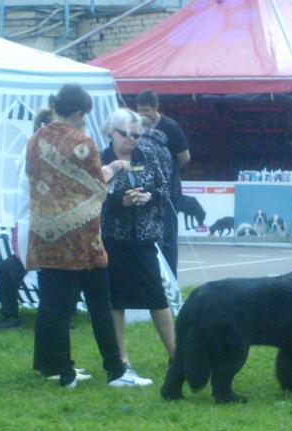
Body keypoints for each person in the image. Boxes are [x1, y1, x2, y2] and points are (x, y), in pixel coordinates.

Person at [27, 84, 150, 388]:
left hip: (45, 234)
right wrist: (115, 167)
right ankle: (116, 370)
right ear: (80, 113)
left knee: (53, 306)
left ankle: (60, 370)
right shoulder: (82, 143)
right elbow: (96, 186)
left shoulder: (35, 139)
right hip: (81, 239)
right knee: (99, 302)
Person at [101, 108, 175, 381]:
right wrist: (122, 200)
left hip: (144, 238)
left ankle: (176, 355)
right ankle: (122, 360)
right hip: (114, 239)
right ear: (111, 131)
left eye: (136, 135)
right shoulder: (101, 158)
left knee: (157, 297)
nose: (131, 141)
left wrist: (148, 197)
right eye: (125, 135)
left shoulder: (148, 155)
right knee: (116, 300)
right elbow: (93, 194)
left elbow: (165, 188)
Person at [0, 109, 54, 330]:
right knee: (7, 269)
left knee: (62, 270)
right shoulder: (29, 151)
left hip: (53, 224)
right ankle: (11, 315)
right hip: (30, 224)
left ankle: (63, 315)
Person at [136, 90, 190, 277]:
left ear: (156, 107)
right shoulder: (137, 127)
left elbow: (184, 157)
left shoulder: (171, 127)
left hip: (170, 191)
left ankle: (171, 279)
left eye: (147, 110)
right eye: (140, 111)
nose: (143, 115)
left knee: (168, 238)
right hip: (148, 191)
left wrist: (169, 171)